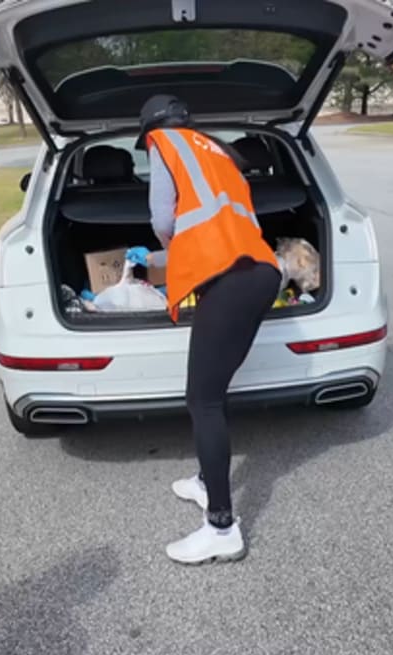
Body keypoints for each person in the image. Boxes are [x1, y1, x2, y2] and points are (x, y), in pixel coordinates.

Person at [126, 95, 281, 565]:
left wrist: (161, 248)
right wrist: (160, 262)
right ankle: (202, 480)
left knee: (203, 400)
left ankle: (221, 527)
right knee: (215, 388)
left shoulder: (164, 145)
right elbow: (217, 224)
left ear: (152, 128)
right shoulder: (218, 153)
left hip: (230, 280)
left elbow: (165, 220)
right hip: (261, 272)